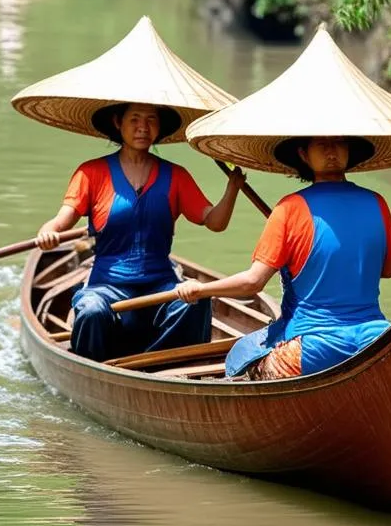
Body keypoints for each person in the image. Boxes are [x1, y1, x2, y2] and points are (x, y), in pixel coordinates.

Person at [175, 135, 391, 380]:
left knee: (239, 354)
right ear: (304, 154)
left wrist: (200, 290)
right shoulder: (377, 202)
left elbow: (253, 282)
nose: (331, 150)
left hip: (311, 348)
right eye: (322, 144)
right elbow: (389, 269)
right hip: (378, 338)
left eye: (338, 142)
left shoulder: (290, 208)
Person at [36, 102, 244, 361]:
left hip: (161, 285)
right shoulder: (91, 172)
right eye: (134, 119)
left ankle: (165, 366)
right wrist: (47, 233)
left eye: (151, 120)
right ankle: (94, 368)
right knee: (90, 311)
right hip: (107, 286)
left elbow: (214, 222)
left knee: (198, 300)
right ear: (117, 122)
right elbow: (60, 221)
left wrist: (232, 188)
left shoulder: (175, 175)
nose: (143, 127)